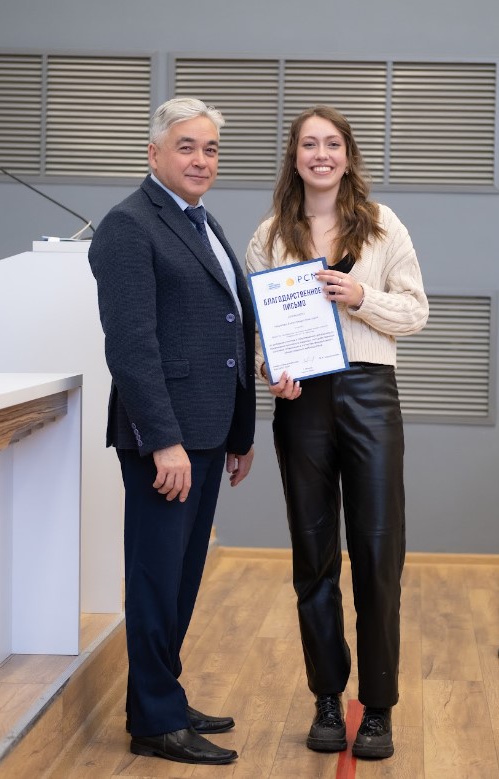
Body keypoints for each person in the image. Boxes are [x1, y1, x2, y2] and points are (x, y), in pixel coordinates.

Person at [246, 105, 428, 760]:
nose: (319, 154)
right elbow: (258, 334)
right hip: (303, 405)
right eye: (308, 144)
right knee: (313, 554)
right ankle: (327, 697)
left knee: (378, 553)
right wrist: (270, 372)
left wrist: (359, 297)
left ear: (347, 155)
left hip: (370, 395)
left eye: (331, 143)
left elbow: (416, 311)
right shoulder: (270, 236)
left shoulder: (382, 226)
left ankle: (377, 706)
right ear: (294, 157)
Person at [88, 97, 255, 766]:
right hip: (167, 438)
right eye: (187, 146)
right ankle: (155, 721)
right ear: (154, 153)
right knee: (157, 577)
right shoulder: (128, 226)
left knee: (182, 576)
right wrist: (162, 440)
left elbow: (228, 326)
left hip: (209, 429)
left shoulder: (202, 220)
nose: (201, 159)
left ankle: (162, 696)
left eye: (210, 148)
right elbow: (131, 346)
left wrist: (240, 431)